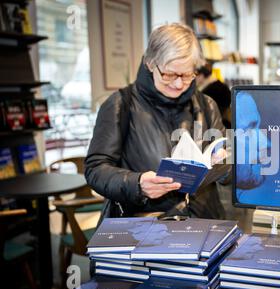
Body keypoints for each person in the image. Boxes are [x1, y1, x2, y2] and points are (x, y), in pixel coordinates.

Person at [85, 23, 227, 220]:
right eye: (169, 74)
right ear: (150, 64)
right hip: (144, 227)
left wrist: (227, 163)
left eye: (187, 75)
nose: (179, 84)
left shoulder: (207, 106)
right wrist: (137, 184)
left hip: (203, 222)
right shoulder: (121, 105)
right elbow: (95, 169)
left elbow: (229, 173)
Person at [196, 63, 232, 129]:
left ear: (201, 75)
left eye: (195, 75)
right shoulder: (217, 85)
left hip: (218, 128)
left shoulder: (211, 90)